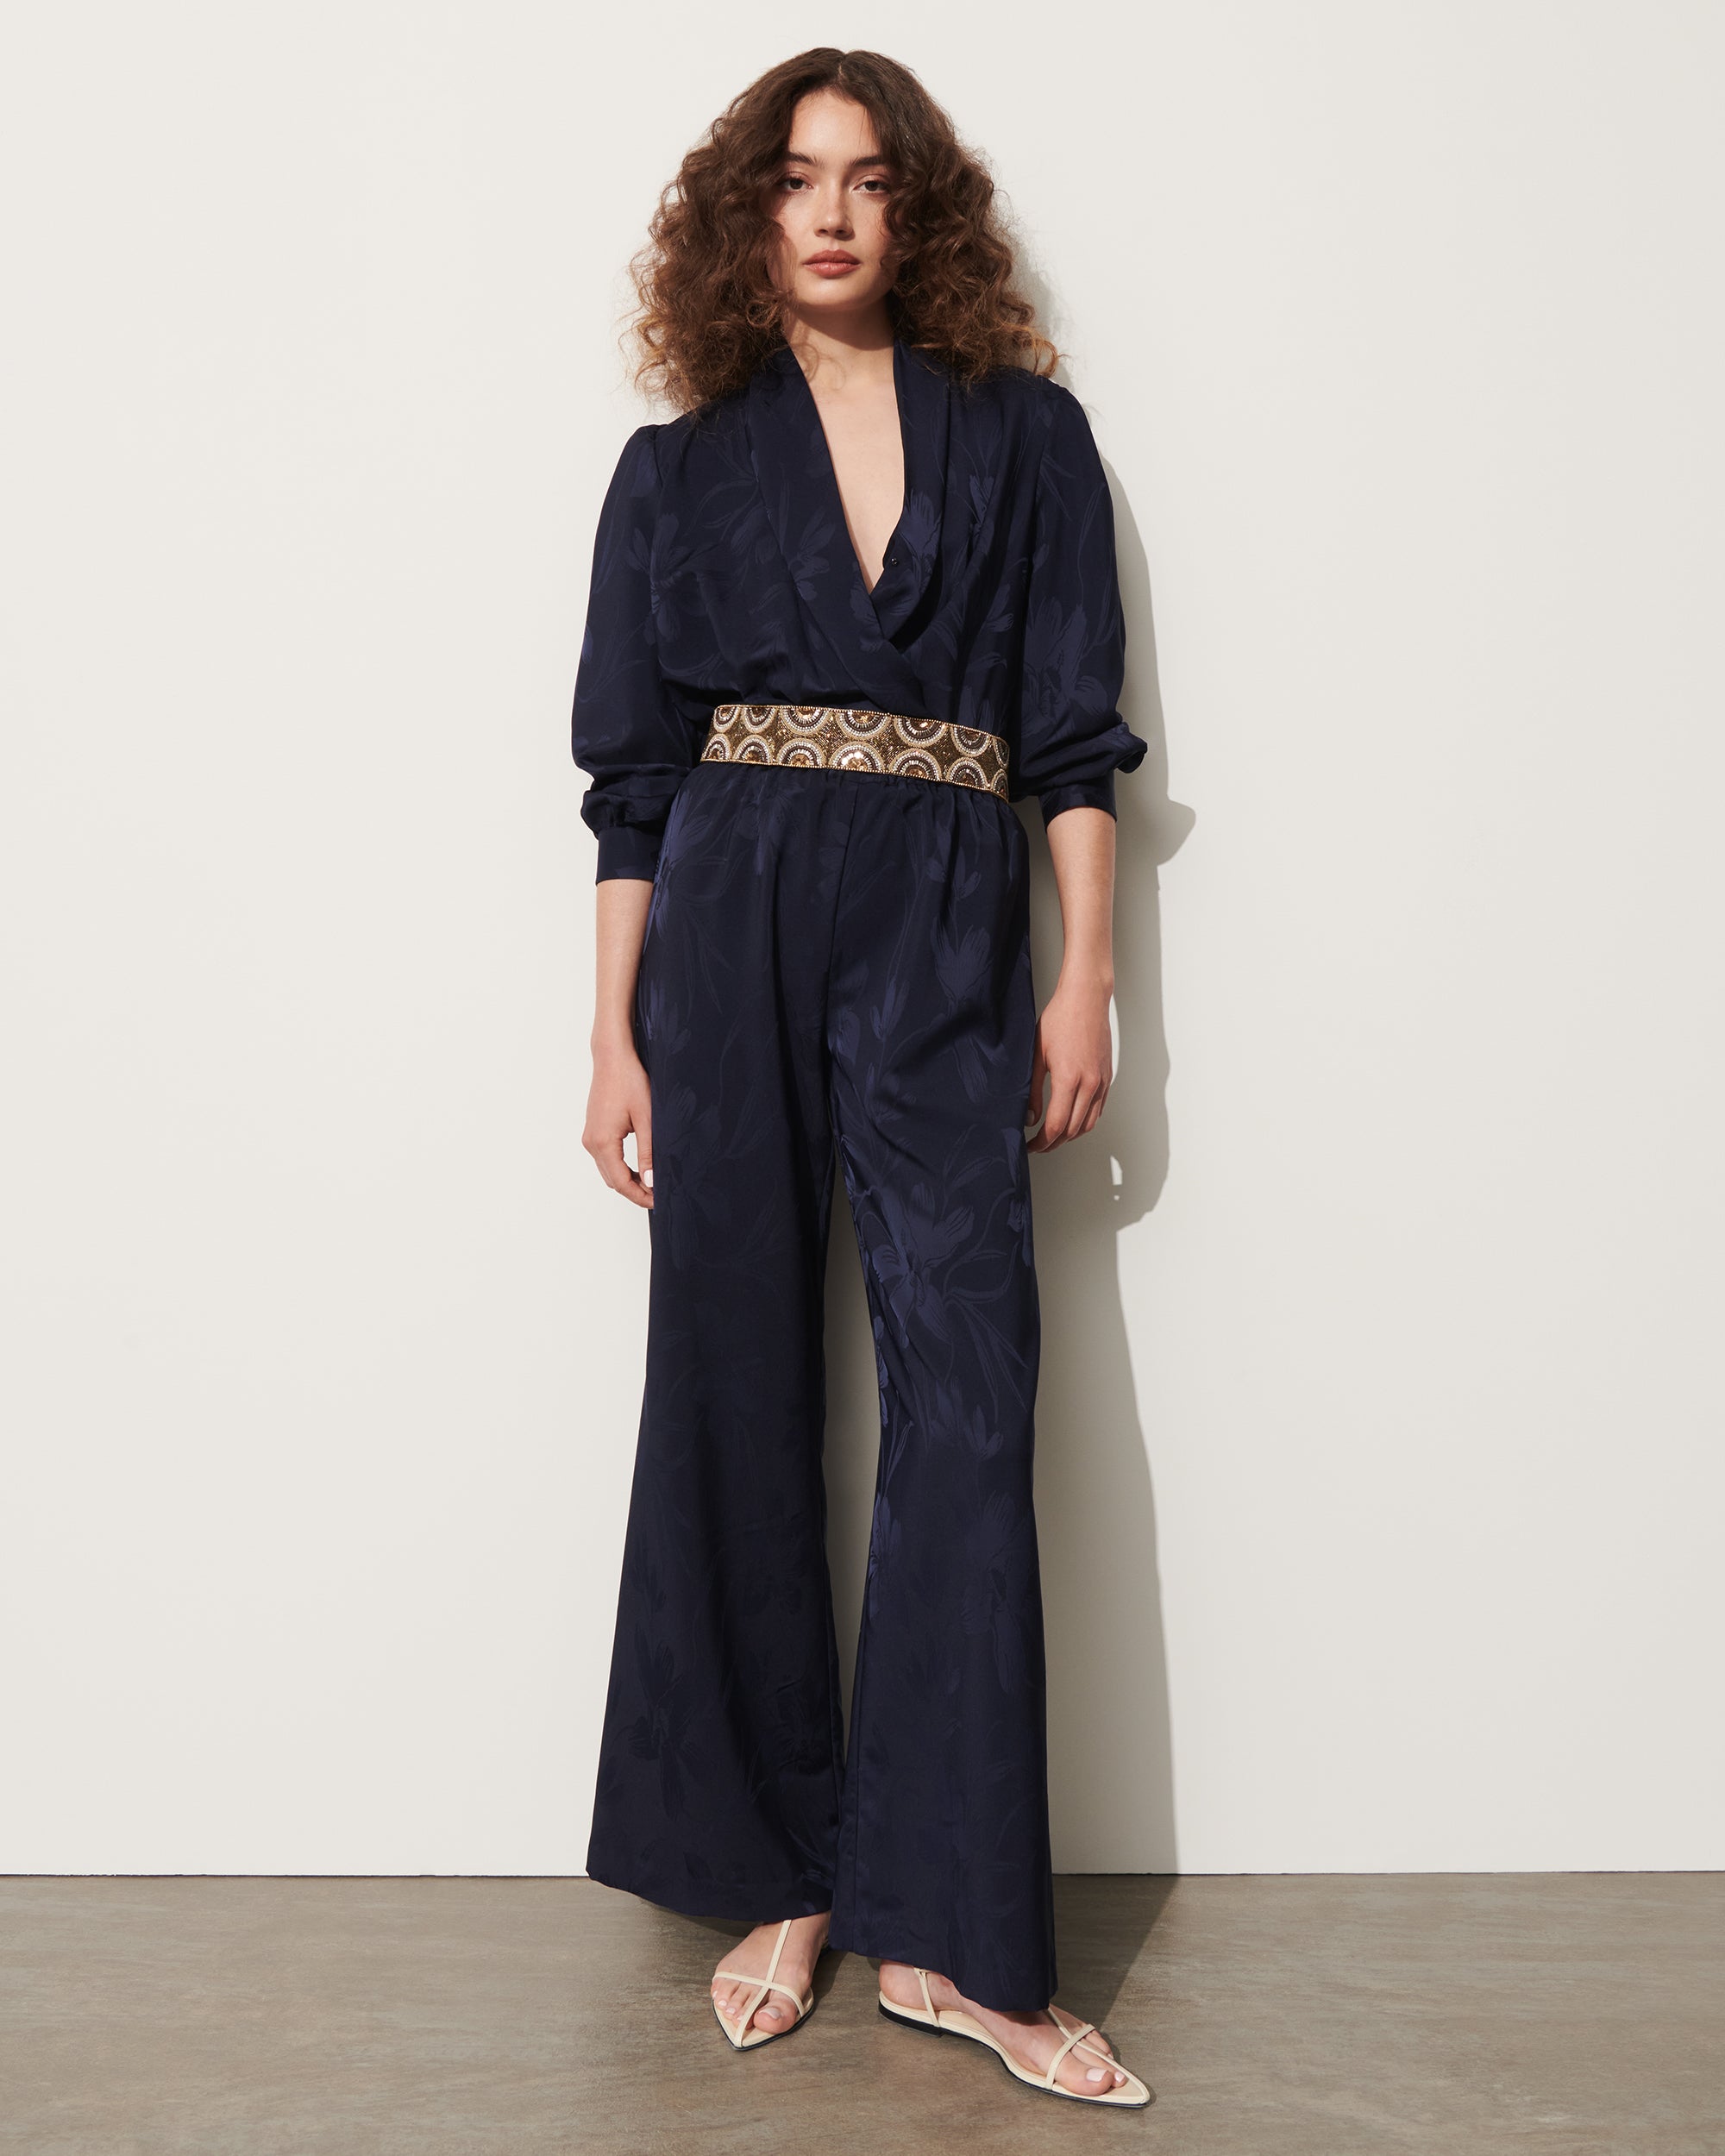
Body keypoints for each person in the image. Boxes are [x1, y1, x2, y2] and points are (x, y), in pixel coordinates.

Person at [570, 47, 1150, 2108]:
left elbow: (1069, 735)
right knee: (731, 1379)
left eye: (870, 178)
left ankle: (954, 1931)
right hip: (726, 916)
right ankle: (781, 1874)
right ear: (747, 214)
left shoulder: (1025, 440)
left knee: (968, 1393)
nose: (831, 212)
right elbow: (630, 784)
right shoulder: (676, 470)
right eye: (797, 178)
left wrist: (1086, 976)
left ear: (921, 212)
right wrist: (612, 1027)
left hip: (942, 921)